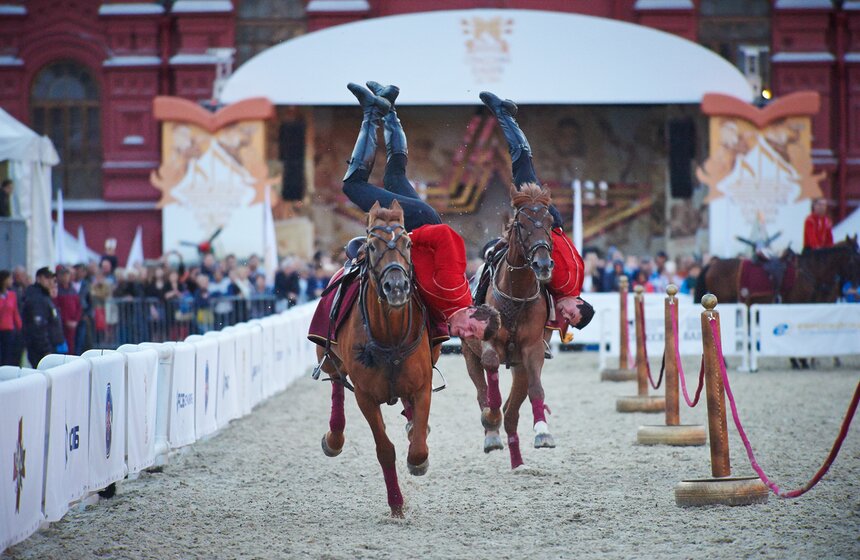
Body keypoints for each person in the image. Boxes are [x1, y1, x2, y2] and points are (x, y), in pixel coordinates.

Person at [335, 81, 499, 341]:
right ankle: (371, 113)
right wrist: (404, 239)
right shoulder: (454, 292)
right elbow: (446, 236)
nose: (464, 335)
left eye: (469, 337)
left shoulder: (450, 309)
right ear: (474, 312)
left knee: (394, 177)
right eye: (471, 329)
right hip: (417, 223)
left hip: (421, 220)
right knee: (353, 186)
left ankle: (389, 108)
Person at [479, 91, 592, 330]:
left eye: (568, 320)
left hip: (544, 221)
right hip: (541, 219)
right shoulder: (566, 283)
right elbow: (547, 248)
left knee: (524, 166)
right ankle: (504, 114)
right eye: (571, 315)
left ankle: (505, 115)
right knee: (522, 163)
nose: (566, 316)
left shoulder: (572, 284)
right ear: (579, 303)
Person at [21, 267, 64, 366]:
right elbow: (38, 327)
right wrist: (46, 350)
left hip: (50, 347)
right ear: (39, 279)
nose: (50, 282)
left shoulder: (45, 296)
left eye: (52, 279)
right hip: (41, 351)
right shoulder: (37, 297)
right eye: (47, 278)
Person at [53, 266, 82, 354]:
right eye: (63, 275)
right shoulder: (56, 290)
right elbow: (57, 307)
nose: (65, 277)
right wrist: (66, 321)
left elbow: (78, 306)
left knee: (72, 346)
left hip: (73, 325)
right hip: (61, 325)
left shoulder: (73, 290)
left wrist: (76, 321)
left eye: (67, 275)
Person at [0, 270, 23, 366]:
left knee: (8, 356)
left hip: (9, 330)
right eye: (9, 279)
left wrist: (20, 327)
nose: (11, 281)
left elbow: (15, 312)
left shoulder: (12, 295)